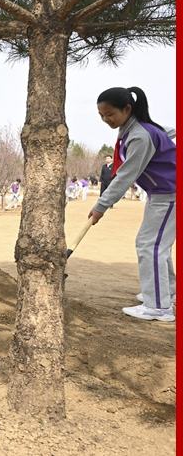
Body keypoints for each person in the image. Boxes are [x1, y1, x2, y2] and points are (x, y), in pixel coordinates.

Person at [88, 87, 176, 322]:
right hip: (160, 194)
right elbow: (170, 131)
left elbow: (126, 175)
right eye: (101, 115)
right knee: (154, 244)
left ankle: (158, 306)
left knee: (151, 246)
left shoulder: (139, 135)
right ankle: (165, 293)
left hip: (170, 194)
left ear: (127, 109)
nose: (106, 120)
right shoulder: (133, 129)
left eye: (110, 114)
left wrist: (101, 206)